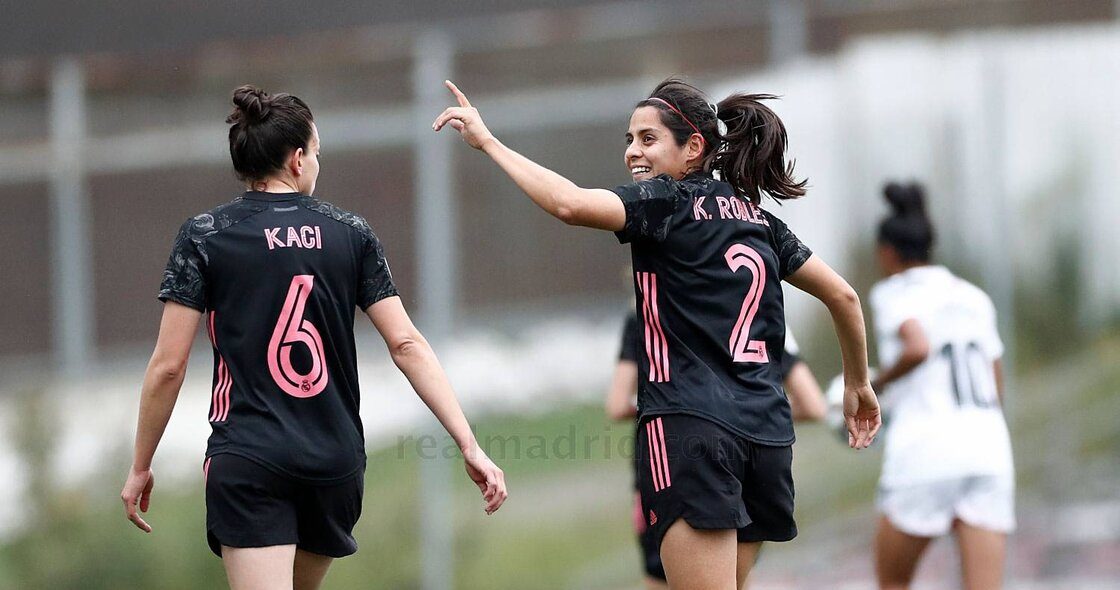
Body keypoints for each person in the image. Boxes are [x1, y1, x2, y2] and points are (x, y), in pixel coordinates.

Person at [434, 77, 879, 590]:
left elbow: (569, 204)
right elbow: (844, 296)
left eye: (648, 139)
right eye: (629, 139)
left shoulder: (666, 203)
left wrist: (488, 141)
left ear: (693, 148)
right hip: (768, 436)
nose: (632, 152)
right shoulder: (760, 221)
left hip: (691, 430)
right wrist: (857, 384)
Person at [120, 85, 507, 590]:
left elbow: (168, 366)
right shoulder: (350, 231)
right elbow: (406, 344)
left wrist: (140, 465)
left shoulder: (206, 235)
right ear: (298, 160)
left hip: (251, 454)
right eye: (318, 154)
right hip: (333, 460)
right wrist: (469, 443)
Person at [606, 313, 825, 589]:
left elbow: (617, 404)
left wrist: (673, 404)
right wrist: (746, 408)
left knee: (662, 580)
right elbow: (813, 404)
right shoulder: (762, 306)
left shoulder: (652, 309)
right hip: (750, 464)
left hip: (678, 463)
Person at [868, 182, 1014, 590]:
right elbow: (995, 380)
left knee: (893, 582)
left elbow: (917, 346)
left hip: (925, 453)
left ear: (887, 252)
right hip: (988, 451)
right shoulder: (974, 297)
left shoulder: (893, 292)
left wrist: (874, 385)